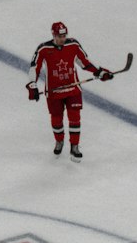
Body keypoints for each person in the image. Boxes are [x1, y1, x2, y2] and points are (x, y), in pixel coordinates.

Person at [28, 21, 110, 159]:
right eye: (60, 36)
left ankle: (74, 146)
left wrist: (99, 72)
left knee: (75, 117)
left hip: (73, 89)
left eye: (64, 35)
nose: (62, 39)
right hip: (54, 92)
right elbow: (34, 67)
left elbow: (84, 62)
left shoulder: (73, 45)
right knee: (57, 120)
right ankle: (59, 141)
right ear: (53, 35)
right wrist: (32, 85)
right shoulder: (43, 49)